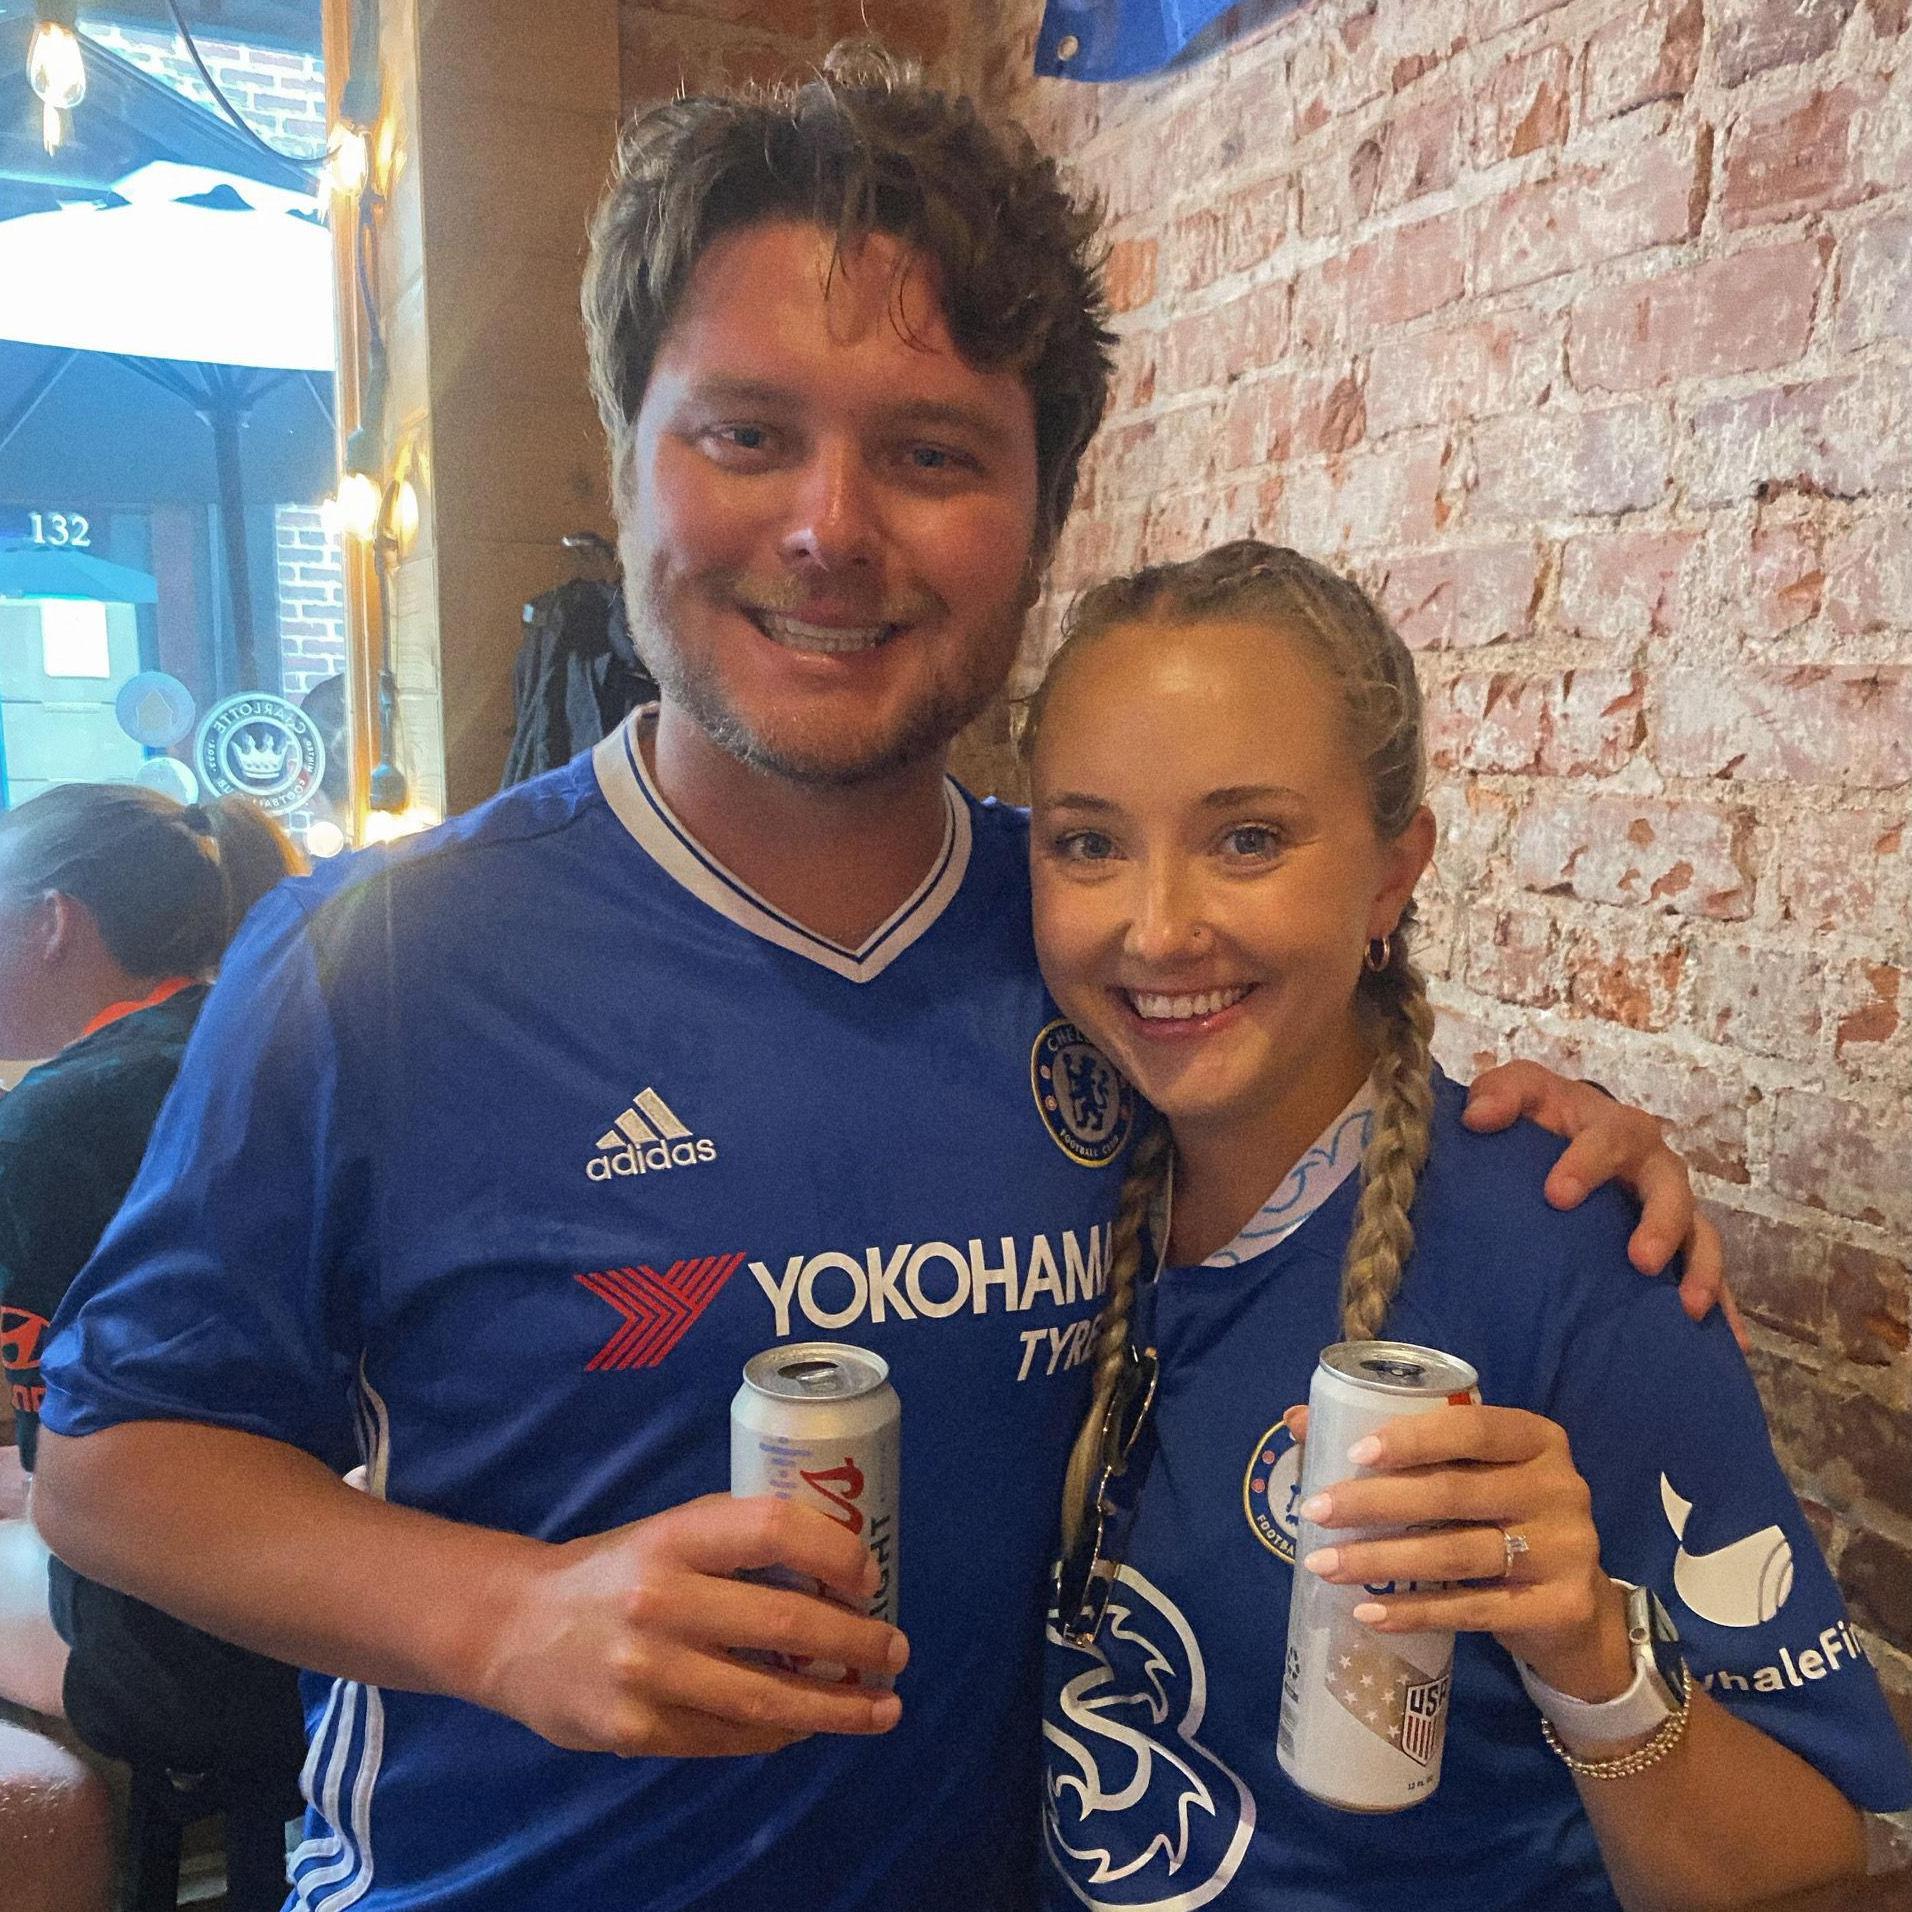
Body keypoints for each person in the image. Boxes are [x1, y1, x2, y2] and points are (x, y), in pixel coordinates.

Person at [34, 57, 1713, 1912]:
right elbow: (115, 1463)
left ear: (1043, 514)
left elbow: (1335, 1144)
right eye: (746, 434)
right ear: (625, 458)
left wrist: (1552, 1151)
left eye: (929, 454)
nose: (831, 527)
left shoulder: (1101, 952)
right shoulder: (375, 960)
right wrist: (502, 1615)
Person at [1021, 542, 1912, 1911]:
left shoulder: (1573, 1254)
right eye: (1088, 842)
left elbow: (1824, 1860)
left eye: (1247, 839)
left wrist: (1590, 1657)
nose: (1157, 927)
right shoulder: (1035, 1174)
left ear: (1393, 874)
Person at [0, 784, 310, 1860]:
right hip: (353, 1586)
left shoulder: (53, 1121)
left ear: (53, 922)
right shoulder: (285, 1045)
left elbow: (57, 1478)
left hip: (194, 1650)